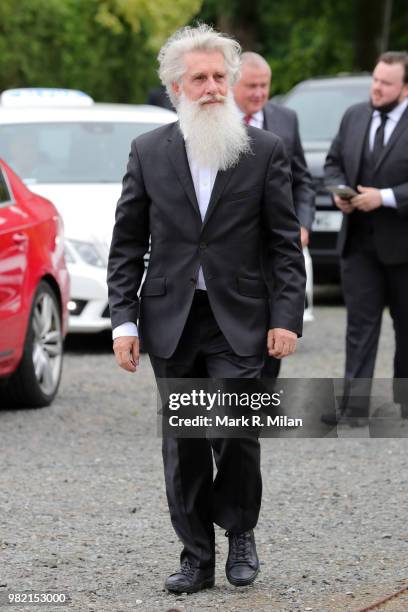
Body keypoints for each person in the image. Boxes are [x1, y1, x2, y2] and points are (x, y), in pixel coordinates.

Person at [107, 24, 306, 593]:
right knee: (186, 443)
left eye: (222, 76)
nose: (215, 87)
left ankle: (240, 530)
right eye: (201, 77)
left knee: (236, 433)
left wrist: (286, 318)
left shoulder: (265, 150)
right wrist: (124, 320)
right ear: (177, 87)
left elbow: (282, 246)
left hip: (241, 319)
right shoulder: (147, 151)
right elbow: (127, 244)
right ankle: (196, 556)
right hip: (170, 320)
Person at [323, 51, 408, 426]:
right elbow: (333, 161)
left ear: (405, 87)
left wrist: (385, 197)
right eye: (375, 79)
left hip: (403, 247)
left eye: (386, 83)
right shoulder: (354, 116)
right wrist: (336, 193)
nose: (377, 87)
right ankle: (354, 409)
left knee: (406, 327)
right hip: (358, 243)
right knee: (359, 326)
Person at [233, 52, 315, 378]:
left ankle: (259, 407)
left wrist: (303, 223)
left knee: (275, 329)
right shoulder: (218, 121)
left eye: (264, 86)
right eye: (251, 86)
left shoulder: (286, 119)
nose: (259, 93)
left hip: (277, 244)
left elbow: (303, 179)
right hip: (235, 247)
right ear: (232, 85)